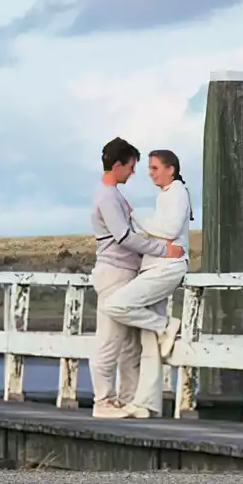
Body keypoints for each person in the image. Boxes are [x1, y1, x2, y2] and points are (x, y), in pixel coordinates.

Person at [88, 137, 184, 419]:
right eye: (131, 166)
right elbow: (124, 237)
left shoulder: (114, 194)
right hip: (114, 272)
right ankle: (103, 401)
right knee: (109, 342)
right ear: (118, 164)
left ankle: (128, 400)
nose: (133, 172)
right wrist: (163, 249)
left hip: (126, 272)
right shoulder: (107, 196)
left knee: (131, 345)